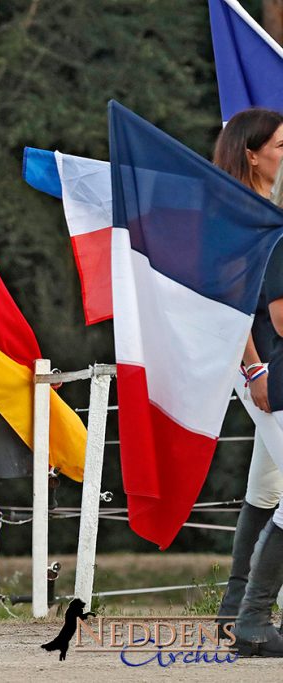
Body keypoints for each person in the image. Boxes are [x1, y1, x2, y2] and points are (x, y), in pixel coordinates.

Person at [215, 108, 283, 656]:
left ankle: (233, 610)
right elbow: (230, 300)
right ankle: (253, 620)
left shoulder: (270, 208)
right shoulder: (237, 215)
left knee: (267, 487)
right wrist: (254, 366)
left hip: (271, 360)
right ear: (252, 153)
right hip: (261, 363)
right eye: (281, 145)